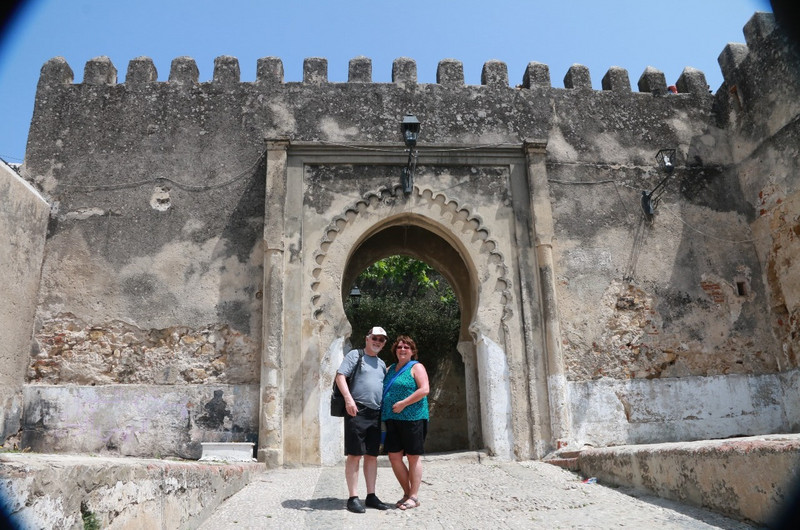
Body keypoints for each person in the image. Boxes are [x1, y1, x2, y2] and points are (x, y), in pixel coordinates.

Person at [335, 326, 392, 513]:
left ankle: (371, 495)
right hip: (357, 411)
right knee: (355, 454)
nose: (377, 341)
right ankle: (353, 497)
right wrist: (348, 399)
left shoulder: (382, 364)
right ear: (367, 338)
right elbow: (340, 376)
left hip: (375, 414)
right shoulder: (355, 355)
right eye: (375, 337)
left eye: (381, 340)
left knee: (372, 456)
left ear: (384, 344)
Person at [381, 335, 430, 511]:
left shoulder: (417, 367)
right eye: (399, 347)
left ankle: (414, 496)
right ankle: (407, 493)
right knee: (394, 456)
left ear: (412, 351)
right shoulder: (390, 369)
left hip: (413, 418)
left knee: (412, 457)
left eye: (406, 347)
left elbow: (425, 389)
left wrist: (403, 403)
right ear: (395, 350)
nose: (402, 349)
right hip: (393, 420)